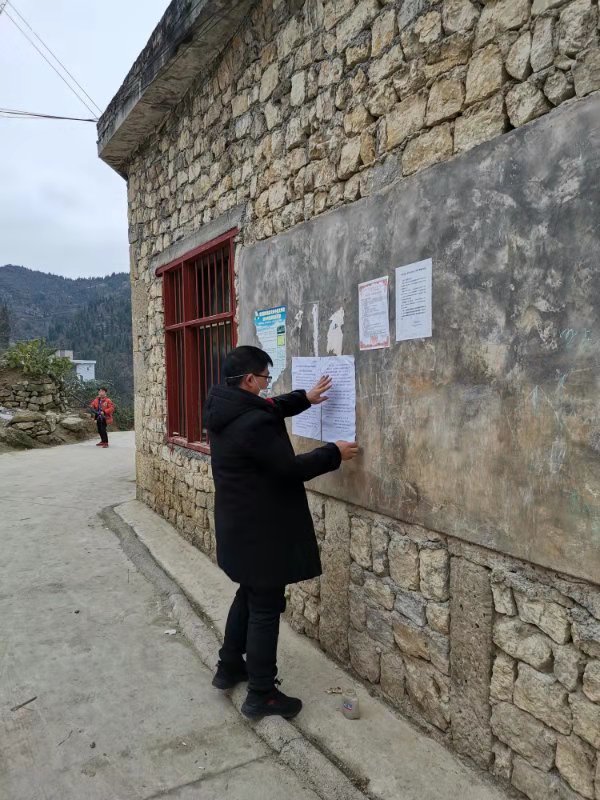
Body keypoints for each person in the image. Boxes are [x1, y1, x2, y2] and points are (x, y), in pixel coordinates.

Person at [204, 345, 359, 720]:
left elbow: (269, 406)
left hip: (238, 526)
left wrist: (304, 398)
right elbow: (289, 469)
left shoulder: (226, 408)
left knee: (248, 594)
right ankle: (261, 693)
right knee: (265, 607)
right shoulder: (251, 423)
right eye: (265, 379)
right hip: (260, 532)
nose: (266, 386)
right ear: (249, 380)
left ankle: (229, 667)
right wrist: (333, 452)